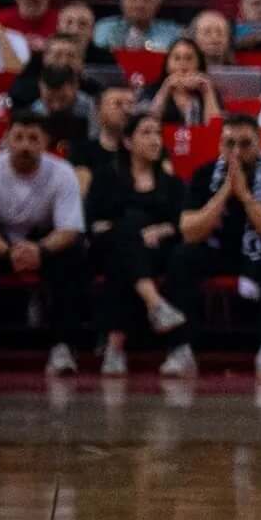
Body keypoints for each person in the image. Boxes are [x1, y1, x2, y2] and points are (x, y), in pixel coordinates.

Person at [184, 113, 261, 376]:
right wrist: (224, 193)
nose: (236, 151)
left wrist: (245, 197)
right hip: (219, 250)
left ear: (260, 144)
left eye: (245, 144)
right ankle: (182, 347)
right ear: (219, 145)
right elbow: (190, 231)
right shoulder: (204, 174)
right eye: (229, 144)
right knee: (183, 255)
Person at [88, 111, 199, 375]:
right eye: (146, 133)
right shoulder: (106, 178)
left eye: (158, 133)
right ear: (127, 141)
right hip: (109, 247)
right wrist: (130, 230)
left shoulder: (172, 184)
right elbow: (93, 221)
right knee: (125, 237)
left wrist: (162, 230)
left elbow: (180, 224)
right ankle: (156, 305)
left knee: (127, 257)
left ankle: (115, 347)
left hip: (155, 252)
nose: (155, 140)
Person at [0, 115, 89, 377]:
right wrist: (9, 252)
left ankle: (63, 347)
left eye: (33, 139)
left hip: (44, 243)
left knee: (74, 253)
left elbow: (69, 229)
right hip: (0, 243)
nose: (25, 146)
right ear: (6, 140)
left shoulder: (63, 172)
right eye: (18, 137)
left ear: (46, 143)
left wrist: (39, 250)